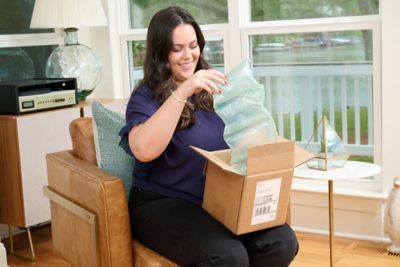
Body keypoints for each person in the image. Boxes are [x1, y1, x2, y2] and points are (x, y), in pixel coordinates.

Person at [119, 6, 298, 267]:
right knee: (228, 257)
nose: (188, 55)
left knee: (281, 241)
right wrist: (183, 91)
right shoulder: (145, 96)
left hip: (214, 199)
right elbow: (144, 150)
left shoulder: (213, 88)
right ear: (160, 52)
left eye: (193, 45)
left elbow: (239, 139)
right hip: (162, 203)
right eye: (177, 48)